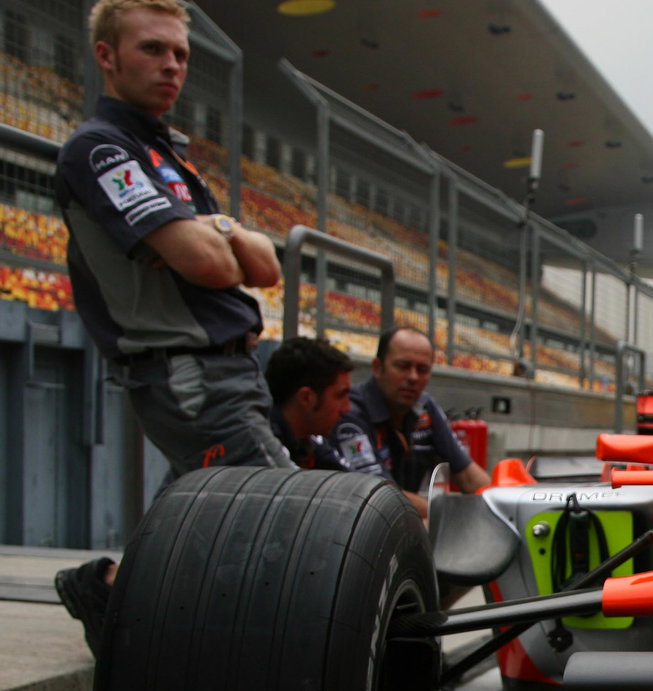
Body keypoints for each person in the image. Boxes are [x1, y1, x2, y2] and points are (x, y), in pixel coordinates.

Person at [54, 0, 288, 655]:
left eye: (180, 54)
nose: (172, 66)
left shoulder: (165, 153)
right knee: (287, 506)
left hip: (227, 364)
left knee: (193, 520)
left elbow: (264, 266)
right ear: (108, 55)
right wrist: (222, 232)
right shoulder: (100, 149)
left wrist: (211, 231)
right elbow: (212, 263)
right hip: (187, 367)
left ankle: (107, 587)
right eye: (153, 49)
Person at [335, 326, 490, 517]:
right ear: (377, 367)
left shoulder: (426, 407)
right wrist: (451, 516)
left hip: (402, 527)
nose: (413, 377)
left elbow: (468, 475)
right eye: (402, 366)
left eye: (422, 369)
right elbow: (379, 496)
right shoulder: (350, 412)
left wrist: (502, 506)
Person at [264, 337, 354, 470]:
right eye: (340, 395)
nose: (347, 408)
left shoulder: (311, 441)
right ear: (306, 398)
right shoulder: (262, 446)